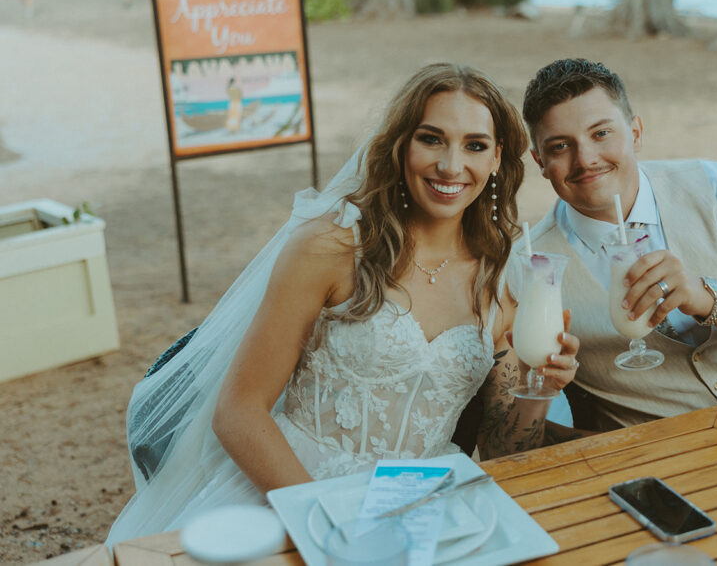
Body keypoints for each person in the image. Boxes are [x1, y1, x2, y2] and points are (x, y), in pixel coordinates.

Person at [106, 63, 580, 545]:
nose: (452, 166)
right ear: (400, 146)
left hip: (420, 509)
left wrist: (539, 386)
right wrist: (329, 530)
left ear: (497, 158)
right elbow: (239, 412)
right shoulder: (331, 248)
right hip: (293, 492)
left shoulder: (502, 280)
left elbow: (500, 448)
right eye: (431, 139)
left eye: (474, 145)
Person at [517, 58, 717, 432]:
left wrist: (703, 295)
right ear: (539, 160)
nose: (585, 159)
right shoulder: (529, 265)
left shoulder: (713, 187)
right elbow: (521, 434)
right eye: (560, 146)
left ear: (635, 132)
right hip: (661, 463)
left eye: (601, 133)